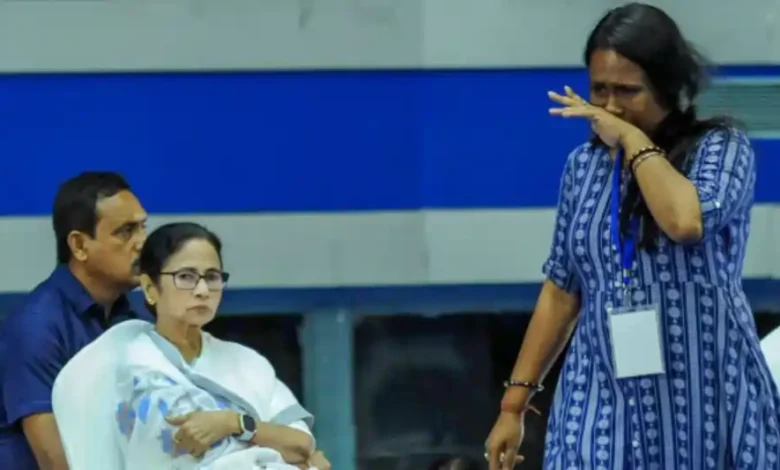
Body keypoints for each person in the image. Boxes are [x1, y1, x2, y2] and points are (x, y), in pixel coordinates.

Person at [485, 3, 780, 470]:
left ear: (668, 89)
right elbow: (561, 290)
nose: (609, 106)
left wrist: (631, 139)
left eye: (628, 91)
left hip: (706, 397)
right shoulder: (583, 169)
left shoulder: (721, 150)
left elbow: (684, 222)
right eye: (599, 89)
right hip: (604, 393)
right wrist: (513, 406)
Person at [107, 222, 331, 469]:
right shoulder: (136, 365)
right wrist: (279, 451)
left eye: (212, 277)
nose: (203, 290)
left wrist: (232, 423)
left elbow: (301, 446)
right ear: (150, 288)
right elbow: (191, 454)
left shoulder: (248, 362)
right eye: (186, 277)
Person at [0, 172, 151, 470]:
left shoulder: (136, 318)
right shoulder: (36, 327)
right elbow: (55, 462)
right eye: (125, 231)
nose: (142, 243)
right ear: (79, 245)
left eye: (143, 227)